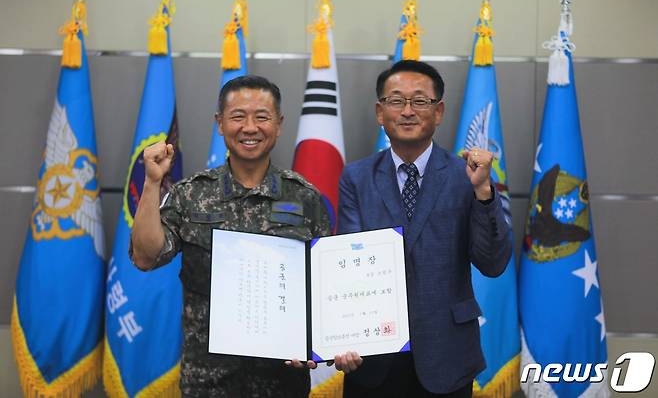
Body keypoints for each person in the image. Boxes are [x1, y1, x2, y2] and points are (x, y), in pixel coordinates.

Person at [130, 75, 349, 397]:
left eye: (261, 117)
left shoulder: (306, 198)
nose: (250, 127)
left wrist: (322, 343)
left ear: (279, 124)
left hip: (283, 383)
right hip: (208, 381)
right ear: (220, 124)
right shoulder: (190, 194)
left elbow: (323, 288)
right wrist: (152, 183)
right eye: (237, 117)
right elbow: (146, 256)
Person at [337, 60, 512, 397]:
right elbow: (347, 267)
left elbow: (493, 263)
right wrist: (342, 335)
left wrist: (483, 192)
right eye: (395, 101)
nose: (407, 111)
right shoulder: (356, 178)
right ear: (379, 111)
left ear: (439, 111)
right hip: (373, 357)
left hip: (448, 353)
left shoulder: (469, 175)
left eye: (419, 101)